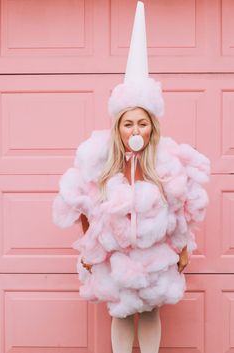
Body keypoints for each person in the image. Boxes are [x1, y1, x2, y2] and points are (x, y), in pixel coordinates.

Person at [52, 2, 210, 353]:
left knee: (151, 311)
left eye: (142, 122)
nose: (134, 129)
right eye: (128, 123)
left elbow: (180, 211)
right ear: (118, 127)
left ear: (151, 127)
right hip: (116, 258)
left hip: (154, 256)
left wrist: (183, 250)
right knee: (121, 314)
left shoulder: (167, 163)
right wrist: (90, 249)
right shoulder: (101, 162)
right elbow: (84, 206)